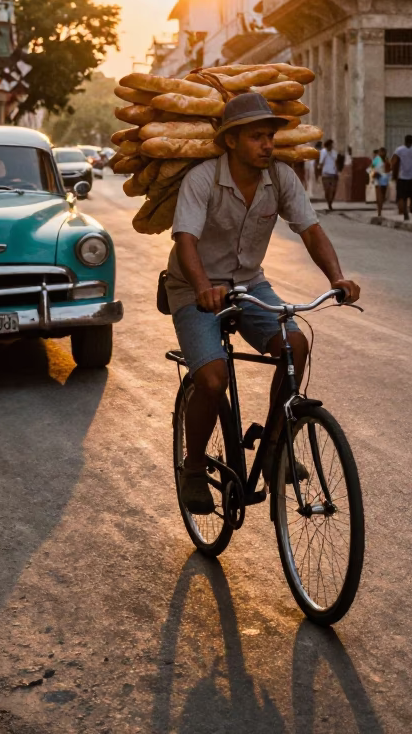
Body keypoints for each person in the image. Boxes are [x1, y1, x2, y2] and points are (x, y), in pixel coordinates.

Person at [165, 92, 360, 514]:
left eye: (270, 136)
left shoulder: (282, 177)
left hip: (250, 284)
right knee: (213, 381)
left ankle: (274, 451)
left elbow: (310, 230)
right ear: (231, 141)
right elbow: (186, 241)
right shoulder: (201, 178)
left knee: (296, 344)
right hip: (193, 288)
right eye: (257, 137)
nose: (267, 144)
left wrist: (337, 277)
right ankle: (195, 468)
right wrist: (202, 287)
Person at [391, 134, 412, 221]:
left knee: (403, 196)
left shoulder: (399, 150)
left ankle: (406, 213)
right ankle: (411, 206)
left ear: (404, 140)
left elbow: (394, 162)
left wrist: (394, 175)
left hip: (402, 177)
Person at [318, 138, 342, 211]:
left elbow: (336, 163)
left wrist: (337, 172)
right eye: (330, 145)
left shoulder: (334, 153)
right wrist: (319, 173)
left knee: (333, 190)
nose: (332, 146)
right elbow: (321, 163)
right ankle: (329, 203)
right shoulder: (323, 152)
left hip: (333, 174)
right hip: (325, 174)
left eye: (332, 145)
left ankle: (330, 203)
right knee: (327, 191)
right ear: (327, 146)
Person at [370, 146, 389, 218]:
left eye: (384, 152)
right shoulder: (376, 160)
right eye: (381, 152)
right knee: (379, 196)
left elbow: (389, 169)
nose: (382, 153)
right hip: (378, 179)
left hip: (384, 179)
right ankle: (379, 212)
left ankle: (380, 209)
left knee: (383, 196)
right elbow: (371, 168)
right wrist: (373, 175)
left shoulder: (386, 160)